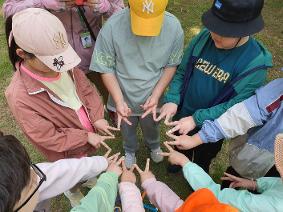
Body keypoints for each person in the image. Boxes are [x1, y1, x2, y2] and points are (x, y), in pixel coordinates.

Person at [5, 8, 118, 206]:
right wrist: (84, 136)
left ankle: (87, 176)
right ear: (22, 54)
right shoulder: (19, 96)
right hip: (64, 149)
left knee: (87, 162)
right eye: (50, 61)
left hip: (86, 136)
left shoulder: (60, 62)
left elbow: (86, 89)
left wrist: (97, 117)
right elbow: (46, 136)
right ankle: (72, 191)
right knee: (70, 173)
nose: (59, 65)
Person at [158, 0, 273, 173]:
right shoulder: (204, 38)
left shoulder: (254, 65)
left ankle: (197, 173)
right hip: (183, 114)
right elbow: (182, 71)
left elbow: (233, 107)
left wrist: (196, 119)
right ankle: (179, 162)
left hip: (212, 127)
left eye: (223, 32)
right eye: (213, 26)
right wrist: (173, 99)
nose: (214, 34)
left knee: (204, 156)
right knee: (179, 145)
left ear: (243, 32)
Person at [90, 0, 184, 168]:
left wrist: (156, 95)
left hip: (153, 93)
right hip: (122, 94)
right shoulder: (112, 26)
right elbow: (105, 68)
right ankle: (130, 149)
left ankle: (154, 144)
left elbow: (172, 65)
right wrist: (119, 101)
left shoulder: (174, 26)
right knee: (127, 128)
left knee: (152, 125)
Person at [3, 0, 124, 103]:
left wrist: (104, 6)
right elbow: (9, 10)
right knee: (67, 98)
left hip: (95, 52)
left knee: (110, 92)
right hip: (56, 55)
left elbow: (122, 13)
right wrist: (46, 3)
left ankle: (114, 112)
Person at [166, 78, 283, 183]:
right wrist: (196, 138)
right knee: (234, 179)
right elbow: (241, 116)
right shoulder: (278, 91)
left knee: (265, 191)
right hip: (257, 156)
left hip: (266, 159)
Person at [130, 140, 283, 212]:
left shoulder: (269, 206)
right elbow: (276, 184)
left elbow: (214, 194)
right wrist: (255, 184)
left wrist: (185, 163)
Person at [0, 130, 124, 212]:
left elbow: (62, 171)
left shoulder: (20, 181)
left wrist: (101, 163)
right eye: (32, 184)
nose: (38, 176)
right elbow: (90, 208)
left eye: (32, 169)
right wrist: (109, 178)